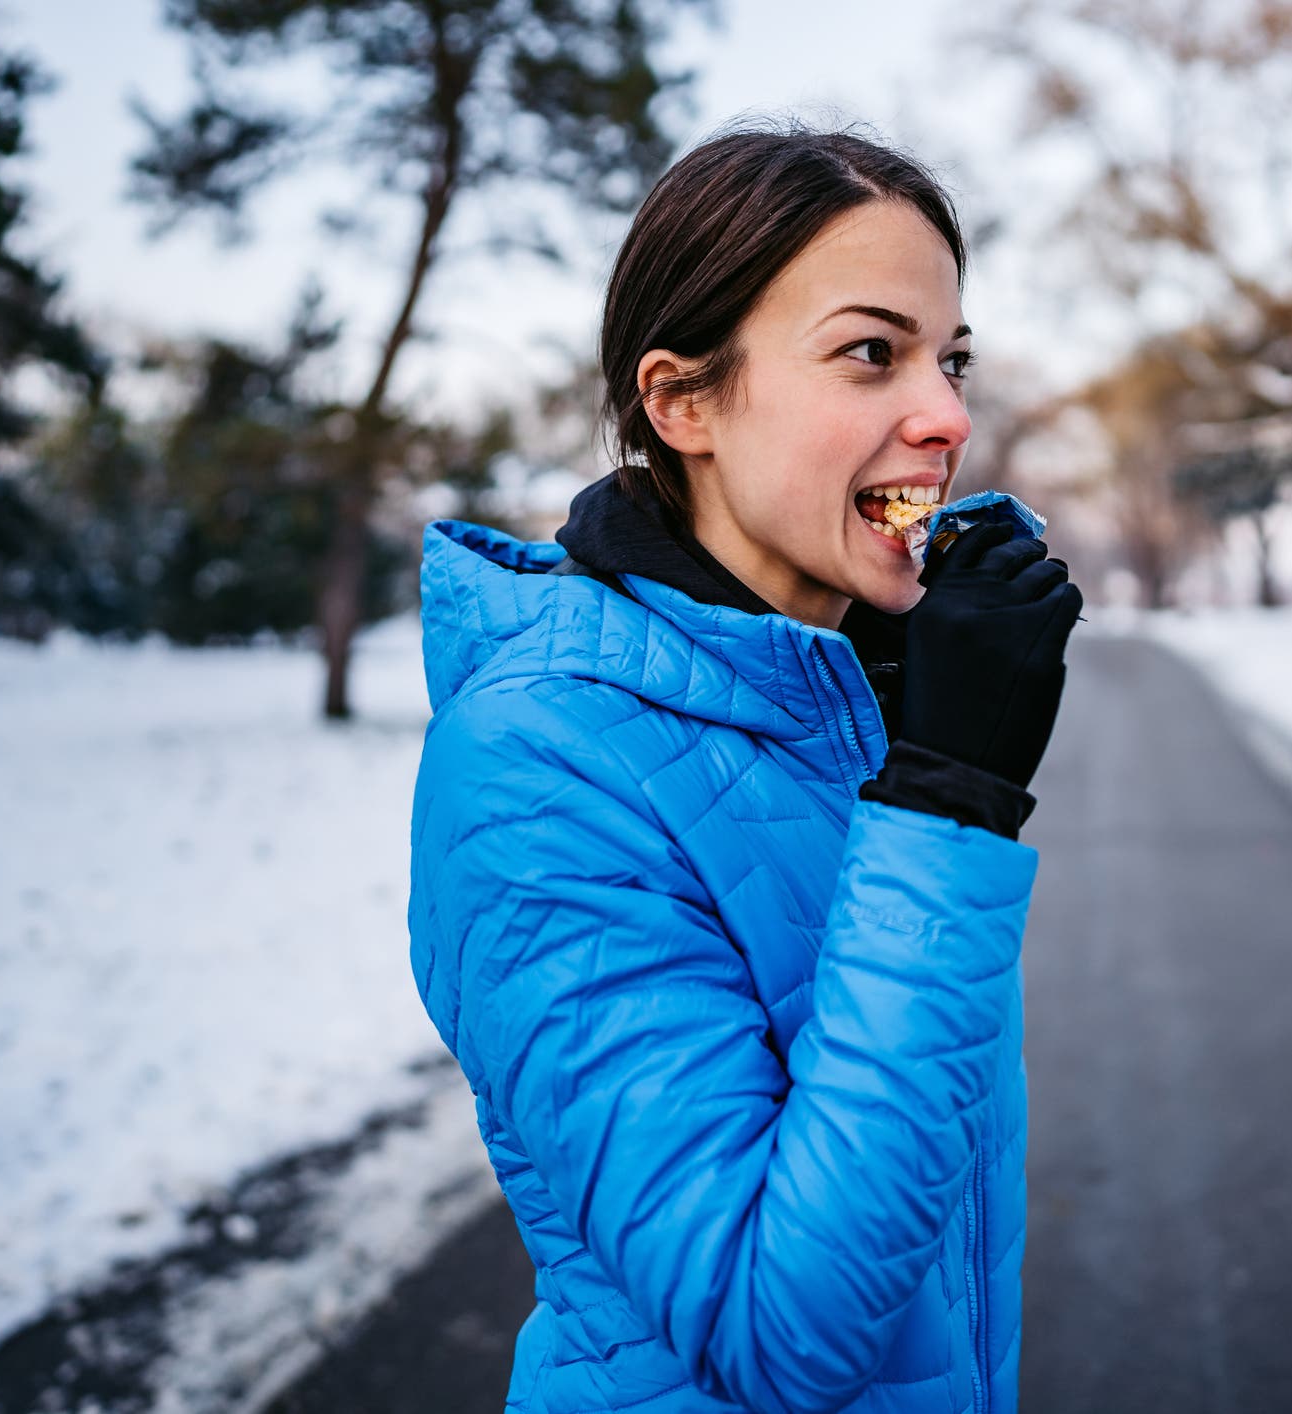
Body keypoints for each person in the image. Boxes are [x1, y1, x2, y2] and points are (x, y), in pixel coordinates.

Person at [407, 120, 1082, 1414]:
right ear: (682, 402)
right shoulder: (532, 763)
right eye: (870, 353)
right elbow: (782, 1333)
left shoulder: (851, 699)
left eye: (950, 360)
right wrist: (949, 793)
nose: (945, 415)